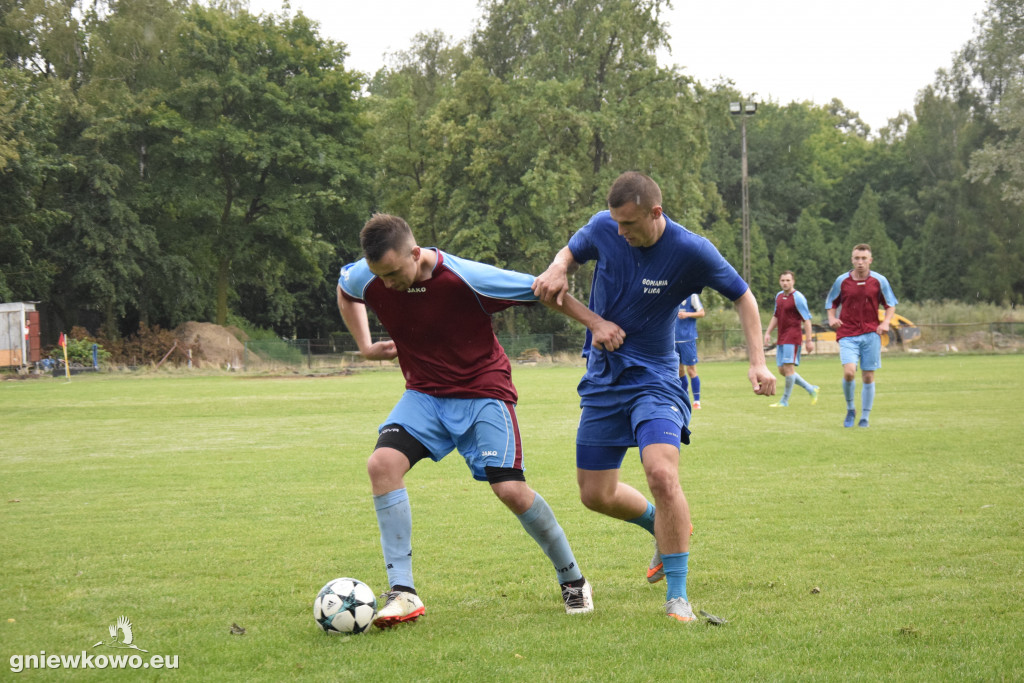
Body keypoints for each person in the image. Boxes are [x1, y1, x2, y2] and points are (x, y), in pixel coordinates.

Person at [337, 213, 624, 628]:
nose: (387, 285)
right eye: (380, 276)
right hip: (425, 395)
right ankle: (403, 593)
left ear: (416, 254)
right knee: (381, 464)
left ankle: (572, 579)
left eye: (395, 273)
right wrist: (364, 345)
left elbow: (542, 289)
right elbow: (347, 292)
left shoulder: (467, 278)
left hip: (483, 392)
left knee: (510, 489)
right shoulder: (368, 275)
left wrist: (597, 323)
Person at [533, 172, 775, 623]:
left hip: (657, 380)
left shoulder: (692, 250)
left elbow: (745, 298)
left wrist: (757, 362)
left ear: (655, 213)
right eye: (616, 224)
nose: (620, 233)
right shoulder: (605, 227)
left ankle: (677, 598)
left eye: (630, 225)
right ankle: (659, 527)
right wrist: (559, 266)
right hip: (603, 379)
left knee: (661, 474)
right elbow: (569, 254)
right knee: (595, 494)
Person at [825, 244, 898, 428]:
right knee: (849, 373)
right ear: (852, 260)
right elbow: (831, 303)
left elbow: (890, 304)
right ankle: (851, 409)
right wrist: (832, 318)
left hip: (871, 333)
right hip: (847, 332)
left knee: (867, 377)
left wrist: (886, 322)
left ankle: (865, 417)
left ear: (870, 260)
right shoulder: (842, 281)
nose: (860, 262)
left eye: (864, 259)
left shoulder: (879, 281)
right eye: (857, 258)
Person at [763, 270, 820, 407]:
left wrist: (809, 340)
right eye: (783, 280)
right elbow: (776, 316)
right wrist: (768, 332)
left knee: (788, 369)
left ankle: (784, 401)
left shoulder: (798, 298)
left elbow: (807, 320)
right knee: (782, 370)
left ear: (793, 281)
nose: (785, 283)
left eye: (788, 280)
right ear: (779, 282)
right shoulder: (779, 296)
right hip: (781, 338)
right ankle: (811, 389)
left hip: (793, 337)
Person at [675, 294, 704, 409]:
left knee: (691, 371)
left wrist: (687, 314)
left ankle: (697, 401)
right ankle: (684, 398)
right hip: (673, 340)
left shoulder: (692, 296)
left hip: (688, 339)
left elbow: (702, 313)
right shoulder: (671, 293)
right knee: (679, 371)